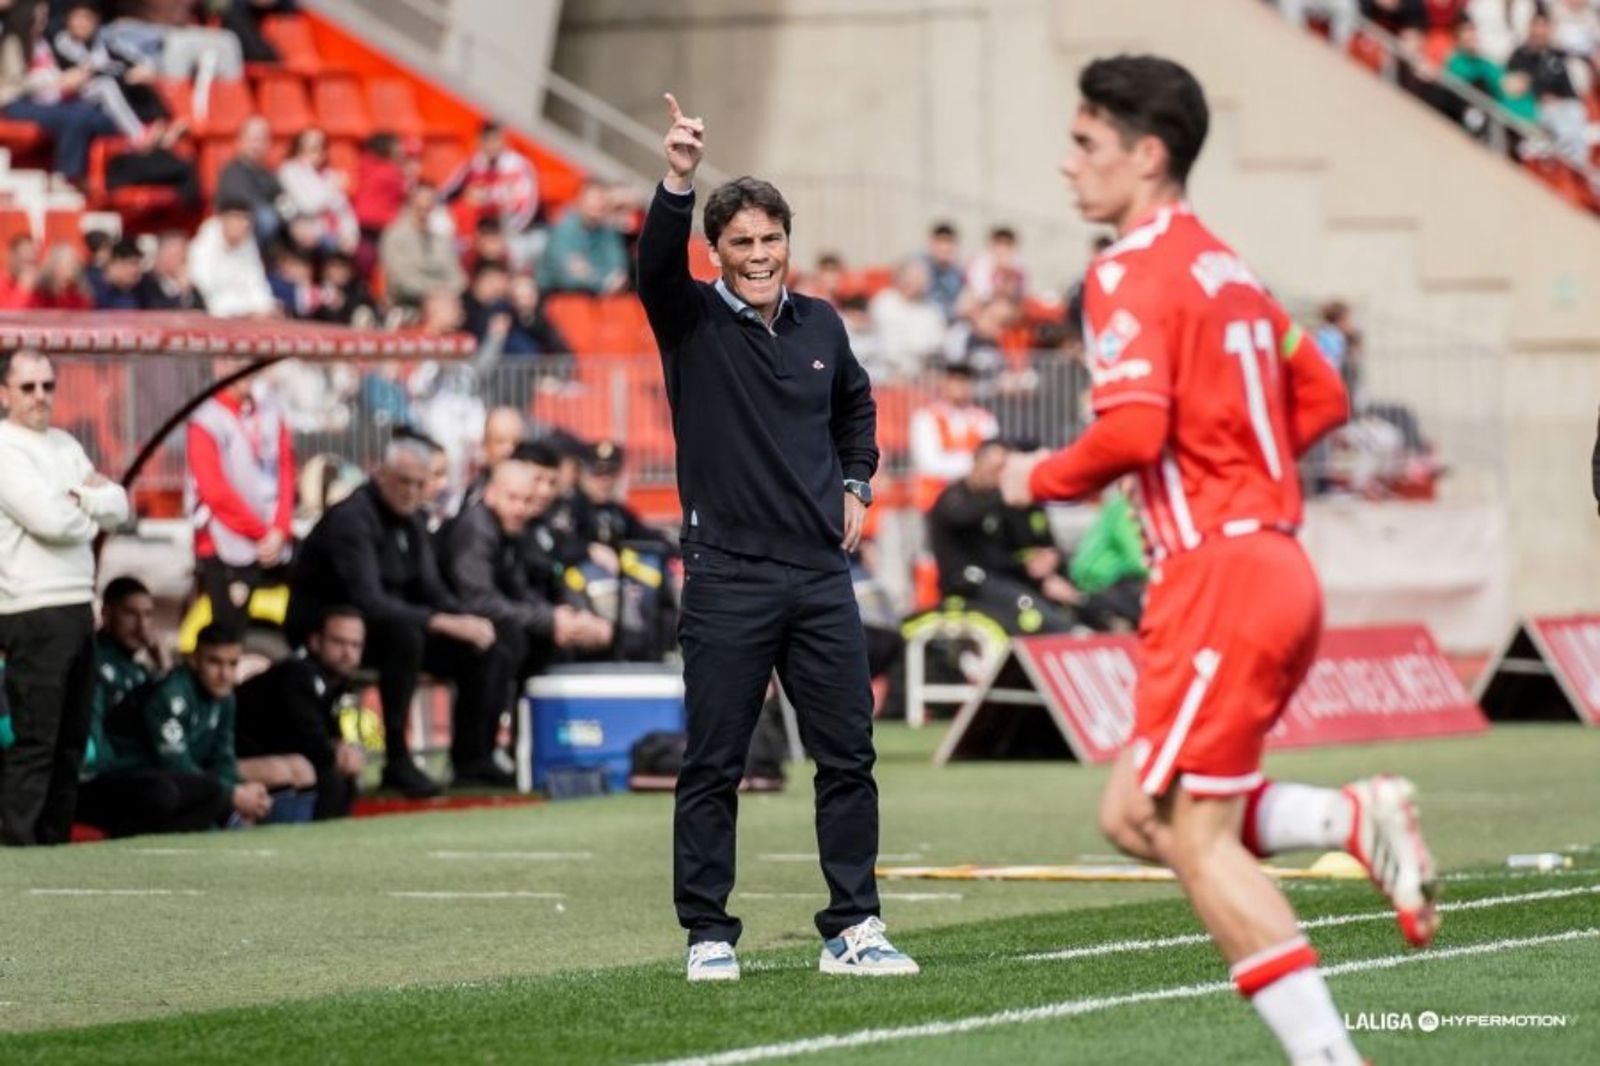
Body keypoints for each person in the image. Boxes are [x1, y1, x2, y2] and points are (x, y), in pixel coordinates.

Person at [999, 55, 1436, 1064]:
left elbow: (1128, 433)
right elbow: (1321, 396)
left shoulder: (1123, 271)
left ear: (1145, 157)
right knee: (1130, 813)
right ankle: (1347, 813)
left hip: (1216, 575)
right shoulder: (1226, 267)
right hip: (1271, 563)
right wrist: (1242, 451)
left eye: (1085, 144)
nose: (1068, 167)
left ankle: (1328, 1056)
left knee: (1191, 837)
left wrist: (1027, 477)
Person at [642, 93, 918, 981]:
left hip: (818, 576)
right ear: (717, 252)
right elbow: (653, 262)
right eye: (743, 244)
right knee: (714, 762)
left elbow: (857, 408)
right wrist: (679, 179)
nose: (760, 257)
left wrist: (855, 480)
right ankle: (709, 935)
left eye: (772, 241)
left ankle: (853, 928)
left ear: (786, 244)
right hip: (727, 576)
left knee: (849, 756)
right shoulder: (687, 319)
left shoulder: (823, 323)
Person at [285, 436, 509, 797]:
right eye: (403, 482)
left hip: (390, 628)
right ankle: (397, 759)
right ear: (381, 474)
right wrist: (441, 622)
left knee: (488, 645)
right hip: (330, 631)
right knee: (406, 636)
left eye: (419, 484)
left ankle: (473, 759)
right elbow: (368, 601)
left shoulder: (412, 521)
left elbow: (431, 591)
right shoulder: (352, 518)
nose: (411, 491)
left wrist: (467, 621)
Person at [0, 350, 129, 845]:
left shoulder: (66, 444)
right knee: (37, 737)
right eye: (28, 387)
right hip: (30, 607)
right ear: (5, 393)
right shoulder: (7, 448)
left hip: (77, 604)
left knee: (74, 736)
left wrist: (83, 501)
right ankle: (19, 839)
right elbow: (50, 521)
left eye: (47, 386)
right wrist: (88, 502)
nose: (40, 397)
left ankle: (53, 838)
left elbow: (119, 505)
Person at [440, 447, 613, 736]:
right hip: (447, 629)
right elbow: (478, 601)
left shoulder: (511, 530)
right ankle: (475, 757)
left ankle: (534, 742)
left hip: (482, 623)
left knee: (544, 640)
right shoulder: (476, 528)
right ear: (492, 493)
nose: (521, 508)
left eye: (528, 501)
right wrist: (550, 620)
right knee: (507, 641)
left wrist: (562, 618)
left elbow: (519, 591)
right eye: (513, 498)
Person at [76, 577, 231, 838]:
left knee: (212, 790)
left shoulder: (141, 671)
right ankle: (119, 844)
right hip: (100, 778)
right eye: (130, 614)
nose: (141, 625)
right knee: (162, 792)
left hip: (141, 776)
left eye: (148, 615)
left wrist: (162, 664)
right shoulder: (93, 663)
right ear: (106, 613)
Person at [106, 623, 294, 827]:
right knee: (168, 792)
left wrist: (239, 791)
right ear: (194, 660)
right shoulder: (171, 694)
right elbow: (176, 764)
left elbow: (223, 757)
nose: (225, 674)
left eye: (232, 664)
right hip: (128, 781)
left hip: (181, 784)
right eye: (215, 662)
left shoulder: (225, 697)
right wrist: (232, 794)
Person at [185, 358, 295, 635]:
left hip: (271, 539)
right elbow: (214, 490)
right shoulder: (205, 418)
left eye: (247, 362)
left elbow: (285, 470)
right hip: (225, 543)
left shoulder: (271, 412)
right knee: (227, 634)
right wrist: (262, 533)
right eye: (232, 362)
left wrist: (280, 530)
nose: (241, 371)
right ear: (217, 366)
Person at [926, 438, 1075, 634]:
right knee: (1030, 611)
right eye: (995, 468)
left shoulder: (1003, 505)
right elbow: (961, 517)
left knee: (1066, 604)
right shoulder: (954, 497)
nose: (999, 476)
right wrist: (1005, 493)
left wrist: (1045, 559)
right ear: (977, 462)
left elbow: (1019, 548)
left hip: (1002, 580)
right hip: (967, 585)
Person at [234, 605, 367, 820]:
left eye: (355, 645)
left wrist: (344, 749)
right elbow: (310, 741)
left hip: (283, 757)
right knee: (324, 774)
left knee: (338, 769)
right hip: (242, 760)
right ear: (315, 641)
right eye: (339, 642)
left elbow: (324, 737)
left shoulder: (332, 682)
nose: (347, 653)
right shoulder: (296, 674)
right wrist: (338, 751)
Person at [441, 121, 541, 268]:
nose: (492, 145)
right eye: (487, 140)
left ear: (504, 140)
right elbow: (445, 193)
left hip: (511, 231)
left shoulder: (519, 166)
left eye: (496, 139)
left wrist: (508, 234)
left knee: (521, 249)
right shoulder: (472, 165)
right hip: (475, 233)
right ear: (480, 142)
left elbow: (528, 208)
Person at [908, 361, 999, 511]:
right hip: (935, 502)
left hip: (976, 502)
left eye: (965, 381)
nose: (960, 386)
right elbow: (929, 464)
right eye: (955, 380)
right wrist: (973, 464)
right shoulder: (925, 418)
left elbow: (993, 460)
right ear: (944, 383)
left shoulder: (985, 419)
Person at [379, 182, 466, 309]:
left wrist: (445, 292)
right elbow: (401, 280)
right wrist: (435, 291)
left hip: (444, 302)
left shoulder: (441, 239)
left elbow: (458, 277)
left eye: (431, 200)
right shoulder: (395, 236)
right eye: (422, 201)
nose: (426, 205)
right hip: (408, 303)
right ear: (411, 201)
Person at [537, 178, 627, 296]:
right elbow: (571, 276)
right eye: (594, 198)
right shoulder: (564, 229)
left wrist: (595, 276)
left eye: (602, 198)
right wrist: (603, 281)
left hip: (600, 299)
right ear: (580, 201)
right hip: (559, 298)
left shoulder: (608, 231)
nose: (599, 203)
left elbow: (618, 269)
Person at [277, 127, 358, 254]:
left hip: (335, 235)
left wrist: (350, 235)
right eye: (309, 147)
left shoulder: (330, 175)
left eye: (319, 147)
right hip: (308, 232)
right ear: (298, 149)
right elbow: (307, 206)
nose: (315, 152)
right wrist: (330, 189)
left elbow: (344, 211)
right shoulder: (290, 170)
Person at [188, 199, 274, 317]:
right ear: (222, 219)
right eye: (237, 218)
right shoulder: (205, 242)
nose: (243, 224)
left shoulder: (248, 242)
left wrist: (266, 307)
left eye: (246, 219)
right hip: (212, 316)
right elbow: (206, 290)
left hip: (245, 314)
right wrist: (247, 310)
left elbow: (257, 283)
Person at [866, 257, 947, 382]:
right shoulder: (883, 302)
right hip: (882, 374)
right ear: (900, 278)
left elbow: (935, 351)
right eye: (913, 277)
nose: (918, 282)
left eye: (921, 278)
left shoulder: (932, 313)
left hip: (918, 380)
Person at [216, 115, 285, 245]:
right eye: (252, 139)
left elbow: (282, 198)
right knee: (267, 218)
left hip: (269, 241)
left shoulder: (269, 173)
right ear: (239, 141)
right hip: (238, 243)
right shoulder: (233, 172)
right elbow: (245, 205)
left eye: (262, 140)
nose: (257, 145)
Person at [136, 231, 203, 310]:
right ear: (161, 254)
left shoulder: (188, 285)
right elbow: (157, 310)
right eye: (177, 254)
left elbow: (201, 310)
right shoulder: (143, 283)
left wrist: (186, 292)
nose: (183, 260)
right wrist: (181, 293)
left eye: (184, 255)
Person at [920, 222, 965, 321]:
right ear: (931, 243)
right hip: (924, 319)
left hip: (949, 323)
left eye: (948, 243)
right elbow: (922, 303)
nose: (944, 248)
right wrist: (955, 311)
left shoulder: (956, 272)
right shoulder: (920, 265)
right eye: (940, 242)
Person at [90, 237, 143, 310]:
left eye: (137, 264)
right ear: (113, 264)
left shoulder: (135, 293)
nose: (136, 270)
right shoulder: (88, 286)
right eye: (132, 263)